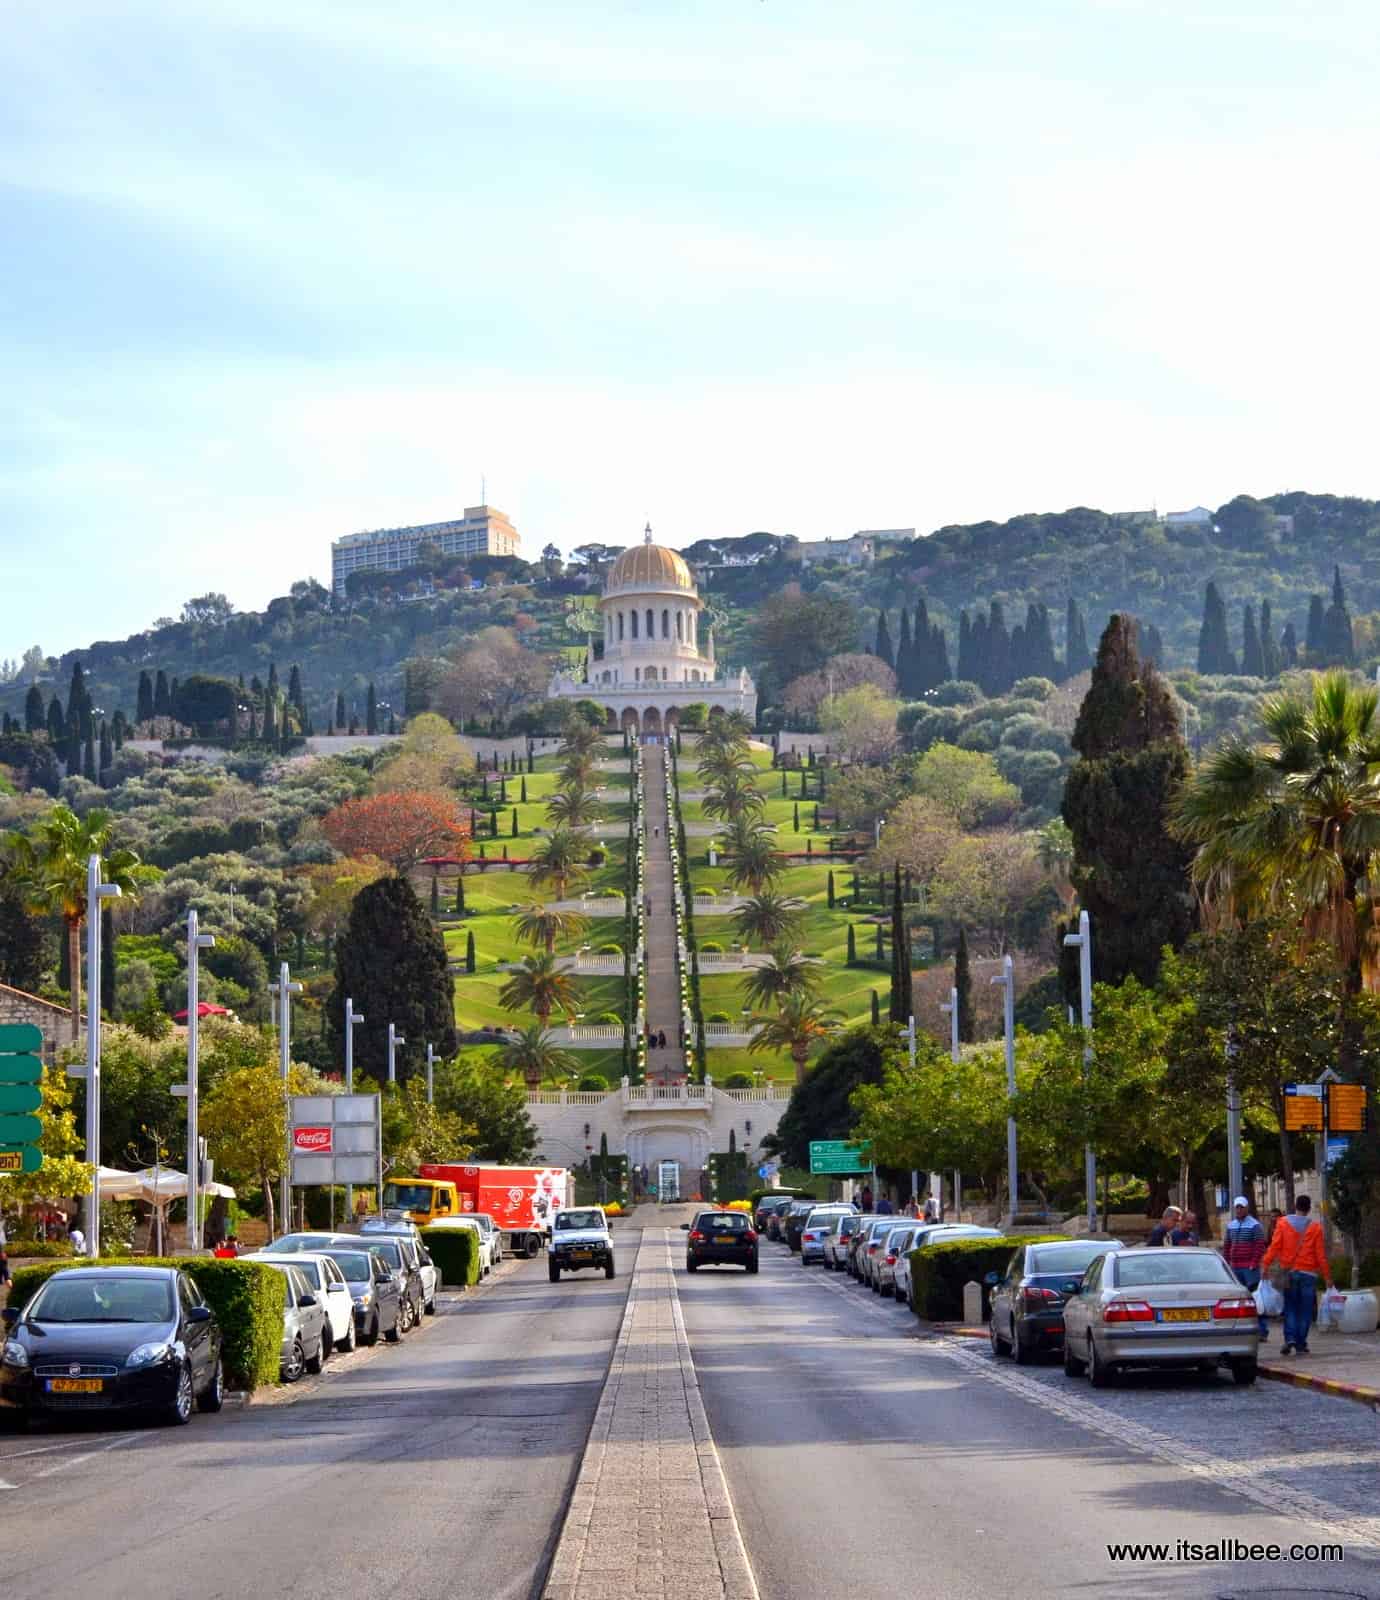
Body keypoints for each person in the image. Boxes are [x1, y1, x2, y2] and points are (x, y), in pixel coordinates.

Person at [1261, 1193, 1331, 1356]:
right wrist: (1327, 1277)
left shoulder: (1283, 1223)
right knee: (1305, 1310)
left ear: (1296, 1206)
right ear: (1308, 1209)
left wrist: (1265, 1265)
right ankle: (1301, 1343)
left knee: (1290, 1306)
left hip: (1289, 1272)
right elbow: (1320, 1255)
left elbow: (1274, 1247)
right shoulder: (1315, 1228)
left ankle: (1290, 1338)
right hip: (1308, 1274)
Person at [1222, 1196, 1269, 1339]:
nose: (1239, 1210)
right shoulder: (1231, 1226)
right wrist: (1227, 1263)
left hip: (1249, 1268)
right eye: (1237, 1207)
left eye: (1241, 1207)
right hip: (1235, 1267)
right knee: (1238, 1299)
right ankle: (1241, 1328)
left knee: (1255, 1299)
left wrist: (1253, 1263)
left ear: (1247, 1208)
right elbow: (1227, 1245)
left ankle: (1262, 1330)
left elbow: (1260, 1245)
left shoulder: (1255, 1225)